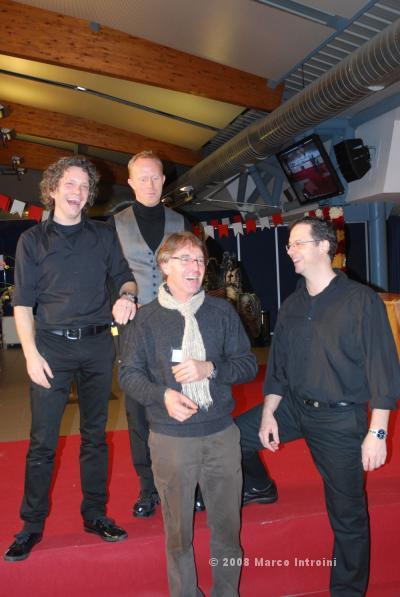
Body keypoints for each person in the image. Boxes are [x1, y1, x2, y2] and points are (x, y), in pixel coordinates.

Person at [236, 216, 400, 595]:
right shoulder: (293, 304)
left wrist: (377, 432)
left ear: (325, 246)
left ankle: (347, 591)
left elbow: (383, 370)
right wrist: (268, 413)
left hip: (340, 420)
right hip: (294, 408)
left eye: (298, 243)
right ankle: (259, 487)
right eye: (289, 244)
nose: (290, 250)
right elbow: (278, 367)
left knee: (347, 516)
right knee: (228, 439)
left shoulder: (360, 300)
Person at [4, 156, 138, 562]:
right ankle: (30, 525)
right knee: (42, 442)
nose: (77, 192)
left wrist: (127, 297)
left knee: (95, 437)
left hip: (98, 347)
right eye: (70, 184)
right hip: (52, 349)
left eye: (84, 186)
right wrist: (30, 355)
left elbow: (125, 277)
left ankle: (95, 514)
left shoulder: (103, 234)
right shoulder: (32, 241)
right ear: (52, 189)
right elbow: (22, 305)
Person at [119, 231, 258, 597]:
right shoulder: (146, 319)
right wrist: (162, 395)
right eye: (185, 259)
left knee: (227, 531)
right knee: (178, 536)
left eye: (199, 260)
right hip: (171, 440)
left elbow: (247, 365)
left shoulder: (221, 312)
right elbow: (129, 375)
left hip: (220, 436)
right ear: (165, 266)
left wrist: (210, 368)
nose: (195, 267)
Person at [112, 150, 203, 518]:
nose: (149, 184)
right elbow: (111, 274)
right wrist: (122, 297)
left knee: (184, 400)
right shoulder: (113, 225)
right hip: (133, 329)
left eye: (155, 177)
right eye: (142, 178)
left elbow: (194, 272)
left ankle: (190, 483)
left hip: (176, 326)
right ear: (130, 182)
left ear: (164, 180)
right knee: (138, 411)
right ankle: (148, 487)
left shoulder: (182, 222)